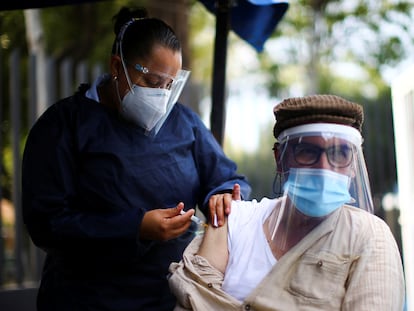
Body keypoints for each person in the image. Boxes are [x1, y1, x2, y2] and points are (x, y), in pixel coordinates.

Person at [21, 6, 251, 311]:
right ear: (117, 67)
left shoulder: (183, 121)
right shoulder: (63, 125)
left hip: (169, 297)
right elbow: (46, 223)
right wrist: (135, 227)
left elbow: (228, 178)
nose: (162, 96)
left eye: (171, 85)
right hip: (87, 298)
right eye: (153, 82)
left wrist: (223, 195)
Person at [168, 94, 406, 310]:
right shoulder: (236, 221)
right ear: (280, 159)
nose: (324, 168)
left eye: (339, 153)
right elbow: (191, 299)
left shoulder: (369, 236)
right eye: (307, 152)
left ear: (354, 164)